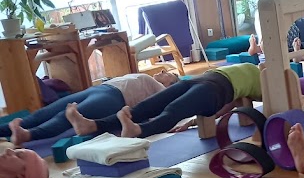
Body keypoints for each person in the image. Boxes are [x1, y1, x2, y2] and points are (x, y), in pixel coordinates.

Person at [65, 63, 262, 139]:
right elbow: (233, 105)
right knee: (147, 106)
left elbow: (227, 107)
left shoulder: (267, 83)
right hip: (198, 80)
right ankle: (91, 125)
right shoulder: (256, 69)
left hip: (214, 90)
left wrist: (191, 122)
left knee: (173, 110)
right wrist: (192, 122)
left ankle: (138, 131)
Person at [0, 71, 178, 145]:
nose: (162, 73)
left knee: (65, 117)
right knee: (46, 111)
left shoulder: (161, 90)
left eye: (168, 75)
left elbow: (161, 113)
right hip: (98, 89)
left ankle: (27, 135)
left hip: (114, 98)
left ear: (171, 84)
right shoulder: (144, 76)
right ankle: (7, 129)